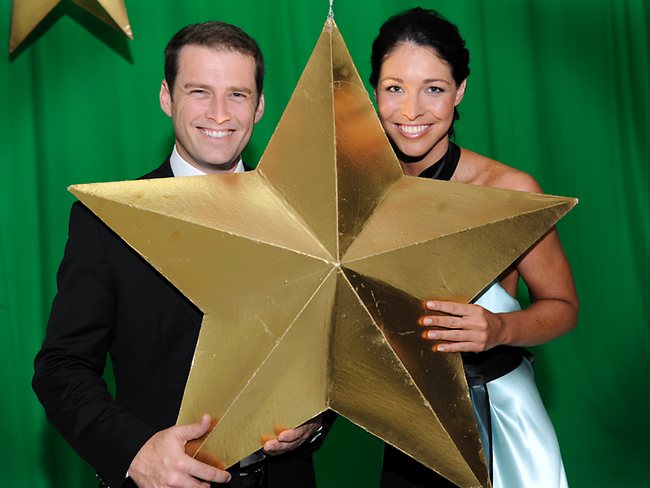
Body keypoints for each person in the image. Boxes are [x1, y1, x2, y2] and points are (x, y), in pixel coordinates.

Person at [33, 21, 325, 488]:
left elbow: (329, 356)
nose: (219, 113)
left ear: (260, 105)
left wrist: (312, 424)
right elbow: (60, 370)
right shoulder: (108, 220)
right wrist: (135, 452)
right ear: (167, 97)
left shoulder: (306, 218)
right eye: (199, 91)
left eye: (237, 94)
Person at [369, 8, 579, 488]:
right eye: (394, 87)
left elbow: (564, 308)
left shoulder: (508, 190)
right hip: (403, 424)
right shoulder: (355, 191)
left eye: (434, 89)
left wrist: (500, 326)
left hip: (496, 419)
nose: (411, 110)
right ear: (374, 92)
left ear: (460, 91)